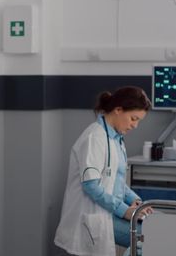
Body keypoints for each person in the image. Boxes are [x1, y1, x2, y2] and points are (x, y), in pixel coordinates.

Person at [55, 86, 154, 256]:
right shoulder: (95, 138)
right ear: (118, 110)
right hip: (94, 216)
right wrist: (125, 211)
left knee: (154, 228)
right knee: (152, 237)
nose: (135, 125)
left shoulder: (115, 138)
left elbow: (116, 182)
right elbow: (91, 186)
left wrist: (136, 202)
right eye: (133, 118)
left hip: (110, 211)